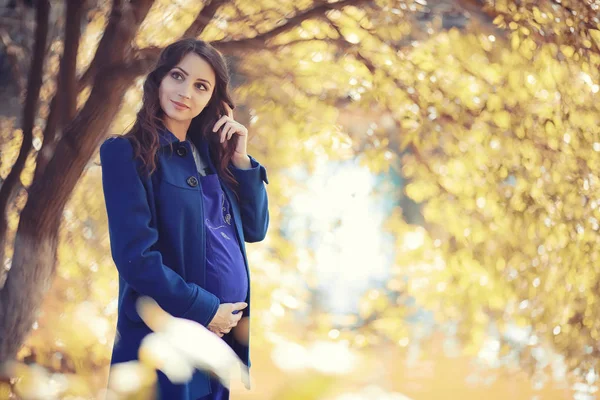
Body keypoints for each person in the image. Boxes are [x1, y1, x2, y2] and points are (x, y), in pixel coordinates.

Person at [99, 38, 269, 399]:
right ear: (159, 79)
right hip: (165, 344)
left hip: (216, 349)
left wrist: (241, 160)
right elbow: (137, 260)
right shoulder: (126, 153)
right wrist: (208, 310)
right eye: (178, 76)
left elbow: (254, 230)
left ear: (212, 99)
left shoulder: (212, 155)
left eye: (201, 86)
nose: (185, 92)